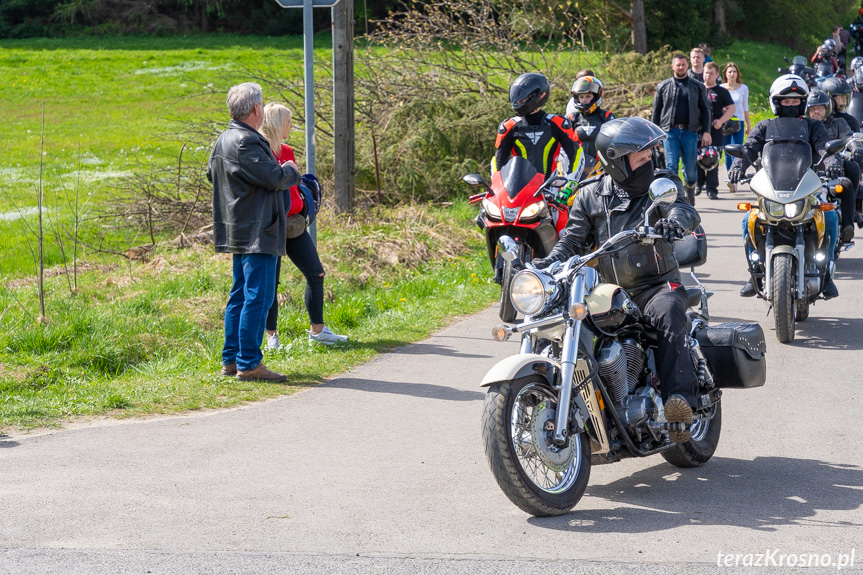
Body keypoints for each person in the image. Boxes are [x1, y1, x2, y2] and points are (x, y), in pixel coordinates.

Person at [532, 117, 702, 442]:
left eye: (650, 155)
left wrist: (673, 224)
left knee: (668, 311)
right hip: (609, 291)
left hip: (657, 286)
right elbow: (571, 241)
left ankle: (680, 403)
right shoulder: (589, 195)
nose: (649, 162)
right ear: (617, 161)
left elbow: (682, 208)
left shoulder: (661, 184)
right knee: (564, 318)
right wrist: (548, 264)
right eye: (641, 158)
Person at [209, 82, 301, 382]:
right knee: (257, 297)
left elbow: (212, 174)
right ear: (256, 109)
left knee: (239, 296)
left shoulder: (224, 138)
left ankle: (231, 360)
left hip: (238, 227)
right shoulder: (246, 141)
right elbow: (273, 177)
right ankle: (248, 362)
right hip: (258, 229)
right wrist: (290, 168)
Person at [729, 75, 842, 299]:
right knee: (749, 220)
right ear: (776, 103)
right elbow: (749, 148)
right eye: (786, 101)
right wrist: (738, 165)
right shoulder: (764, 126)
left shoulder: (813, 125)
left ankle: (826, 274)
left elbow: (823, 148)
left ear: (802, 103)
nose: (790, 105)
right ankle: (755, 271)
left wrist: (833, 164)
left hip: (805, 187)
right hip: (773, 187)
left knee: (829, 218)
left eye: (795, 101)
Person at [258, 103, 349, 350]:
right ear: (277, 123)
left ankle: (318, 332)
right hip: (272, 226)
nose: (291, 125)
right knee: (270, 283)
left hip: (295, 223)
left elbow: (293, 182)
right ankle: (271, 337)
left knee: (316, 273)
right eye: (288, 121)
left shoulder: (287, 150)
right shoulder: (261, 151)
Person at [652, 53, 713, 204]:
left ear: (687, 66)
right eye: (678, 65)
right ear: (672, 66)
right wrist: (653, 135)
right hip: (669, 131)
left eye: (683, 65)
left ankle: (690, 188)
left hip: (690, 131)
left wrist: (706, 131)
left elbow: (705, 110)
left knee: (691, 169)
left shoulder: (697, 86)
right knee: (671, 165)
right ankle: (676, 198)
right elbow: (656, 111)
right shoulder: (663, 86)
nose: (681, 67)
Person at [494, 72, 580, 177]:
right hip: (519, 189)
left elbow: (576, 154)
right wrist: (498, 185)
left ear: (537, 96)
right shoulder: (509, 126)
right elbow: (498, 162)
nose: (518, 102)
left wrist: (571, 181)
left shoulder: (557, 123)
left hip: (551, 188)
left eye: (522, 99)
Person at [805, 90, 859, 243]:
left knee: (848, 181)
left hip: (835, 168)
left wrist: (855, 148)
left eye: (820, 108)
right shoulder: (803, 125)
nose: (817, 112)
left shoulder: (838, 123)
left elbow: (848, 137)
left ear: (827, 108)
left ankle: (848, 224)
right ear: (807, 110)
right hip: (807, 170)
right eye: (813, 109)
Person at [696, 62, 735, 200]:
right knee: (698, 157)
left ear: (717, 75)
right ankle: (699, 184)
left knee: (712, 158)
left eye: (711, 73)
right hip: (698, 130)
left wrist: (721, 121)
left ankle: (712, 189)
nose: (708, 75)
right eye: (706, 73)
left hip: (715, 130)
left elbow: (732, 108)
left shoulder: (721, 92)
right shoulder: (698, 89)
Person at [564, 75, 616, 161]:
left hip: (602, 168)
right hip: (578, 169)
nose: (584, 99)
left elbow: (614, 143)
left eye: (588, 96)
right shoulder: (571, 118)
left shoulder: (607, 116)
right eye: (581, 97)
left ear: (596, 96)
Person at [722, 62, 751, 192]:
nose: (732, 74)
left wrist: (748, 126)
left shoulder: (743, 88)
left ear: (737, 74)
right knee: (727, 153)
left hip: (738, 122)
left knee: (736, 152)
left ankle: (735, 177)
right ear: (725, 74)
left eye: (734, 71)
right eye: (729, 72)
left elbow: (745, 108)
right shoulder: (721, 87)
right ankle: (730, 178)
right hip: (724, 123)